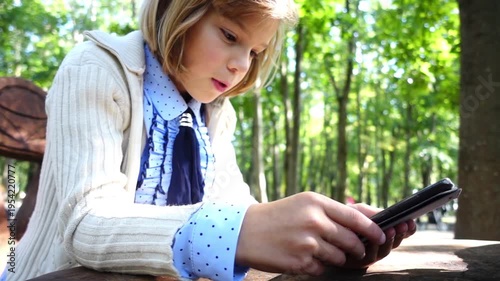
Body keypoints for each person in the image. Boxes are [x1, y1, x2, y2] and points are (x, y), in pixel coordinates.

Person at [3, 0, 416, 280]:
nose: (240, 66)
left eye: (255, 51)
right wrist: (239, 233)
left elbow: (236, 210)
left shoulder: (215, 114)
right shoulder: (96, 69)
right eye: (230, 36)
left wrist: (321, 242)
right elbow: (86, 226)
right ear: (179, 10)